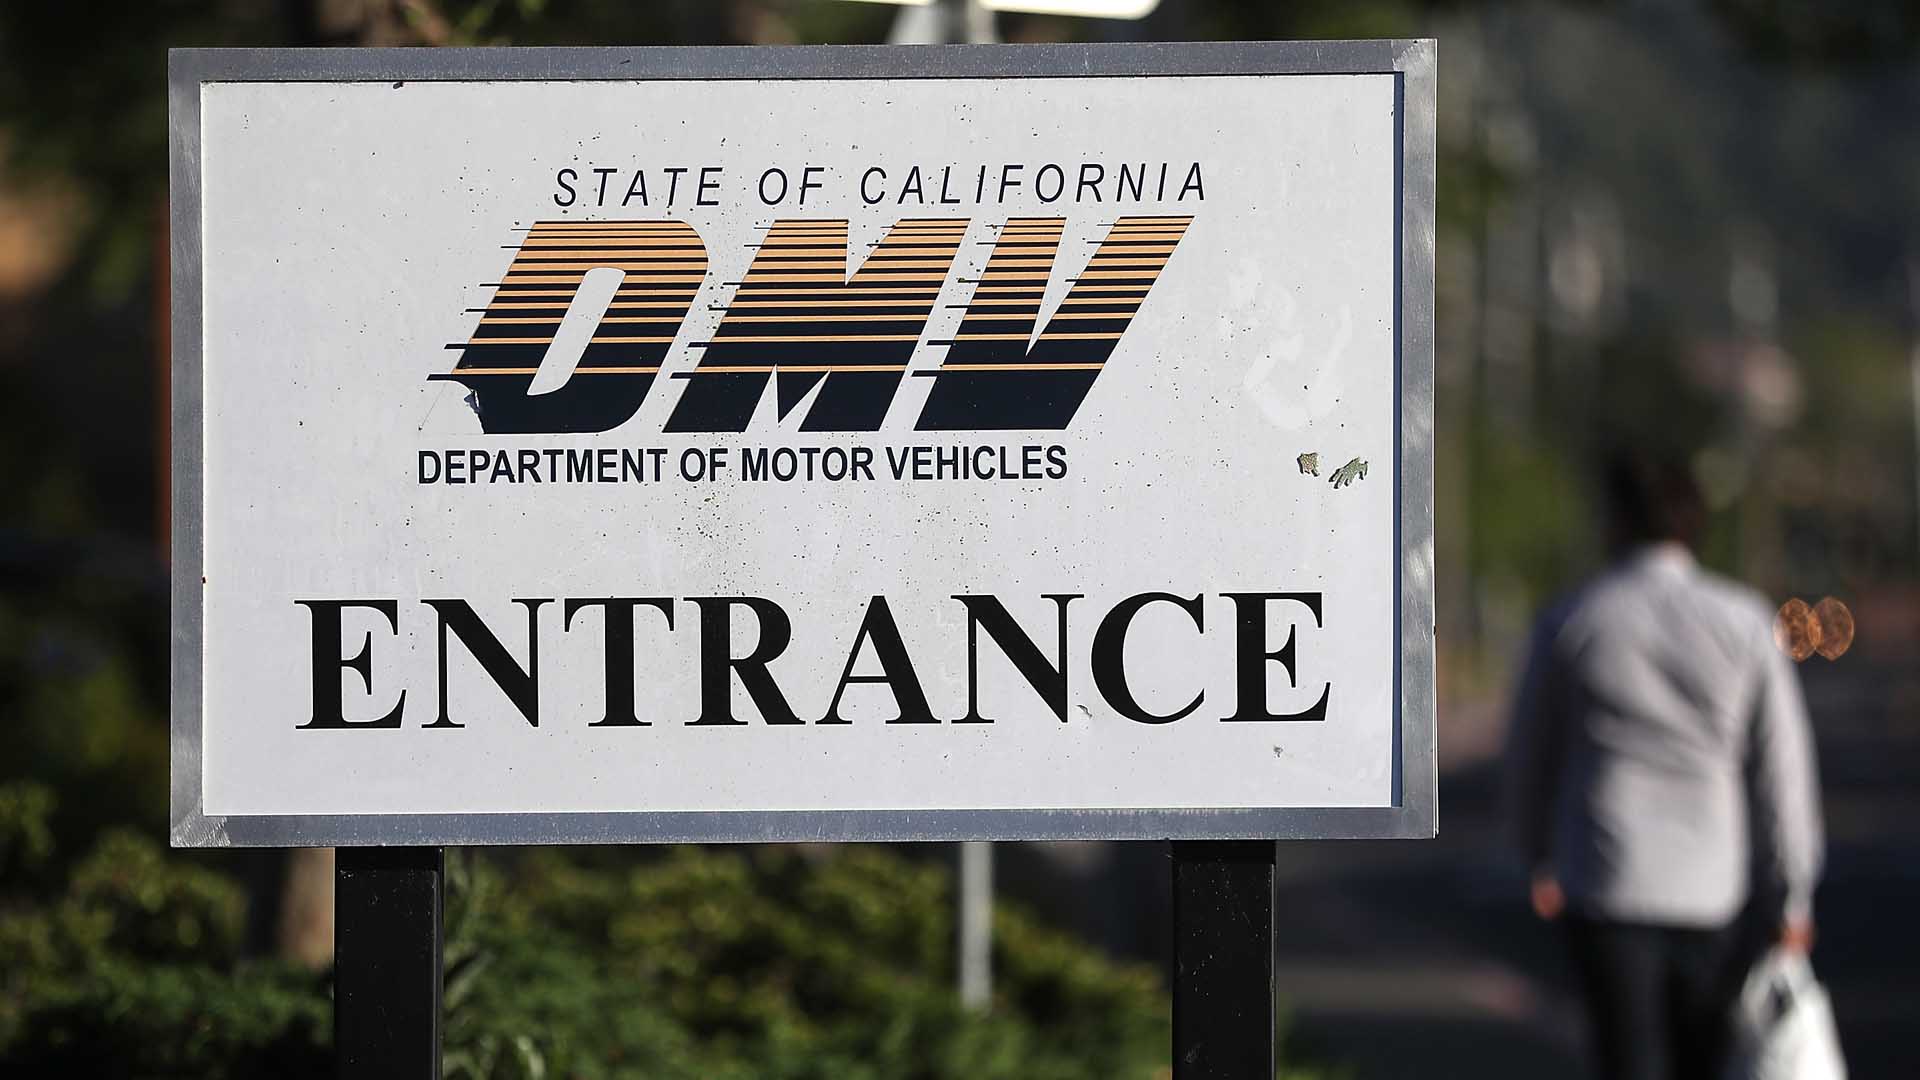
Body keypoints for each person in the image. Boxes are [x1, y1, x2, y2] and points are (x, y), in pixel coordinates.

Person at [1503, 450, 1824, 1080]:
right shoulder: (1744, 622)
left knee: (1628, 1059)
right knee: (1707, 1061)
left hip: (1607, 877)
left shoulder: (1575, 619)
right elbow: (1781, 771)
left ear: (1615, 523)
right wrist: (1794, 899)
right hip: (1713, 888)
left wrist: (1534, 854)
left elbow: (1530, 754)